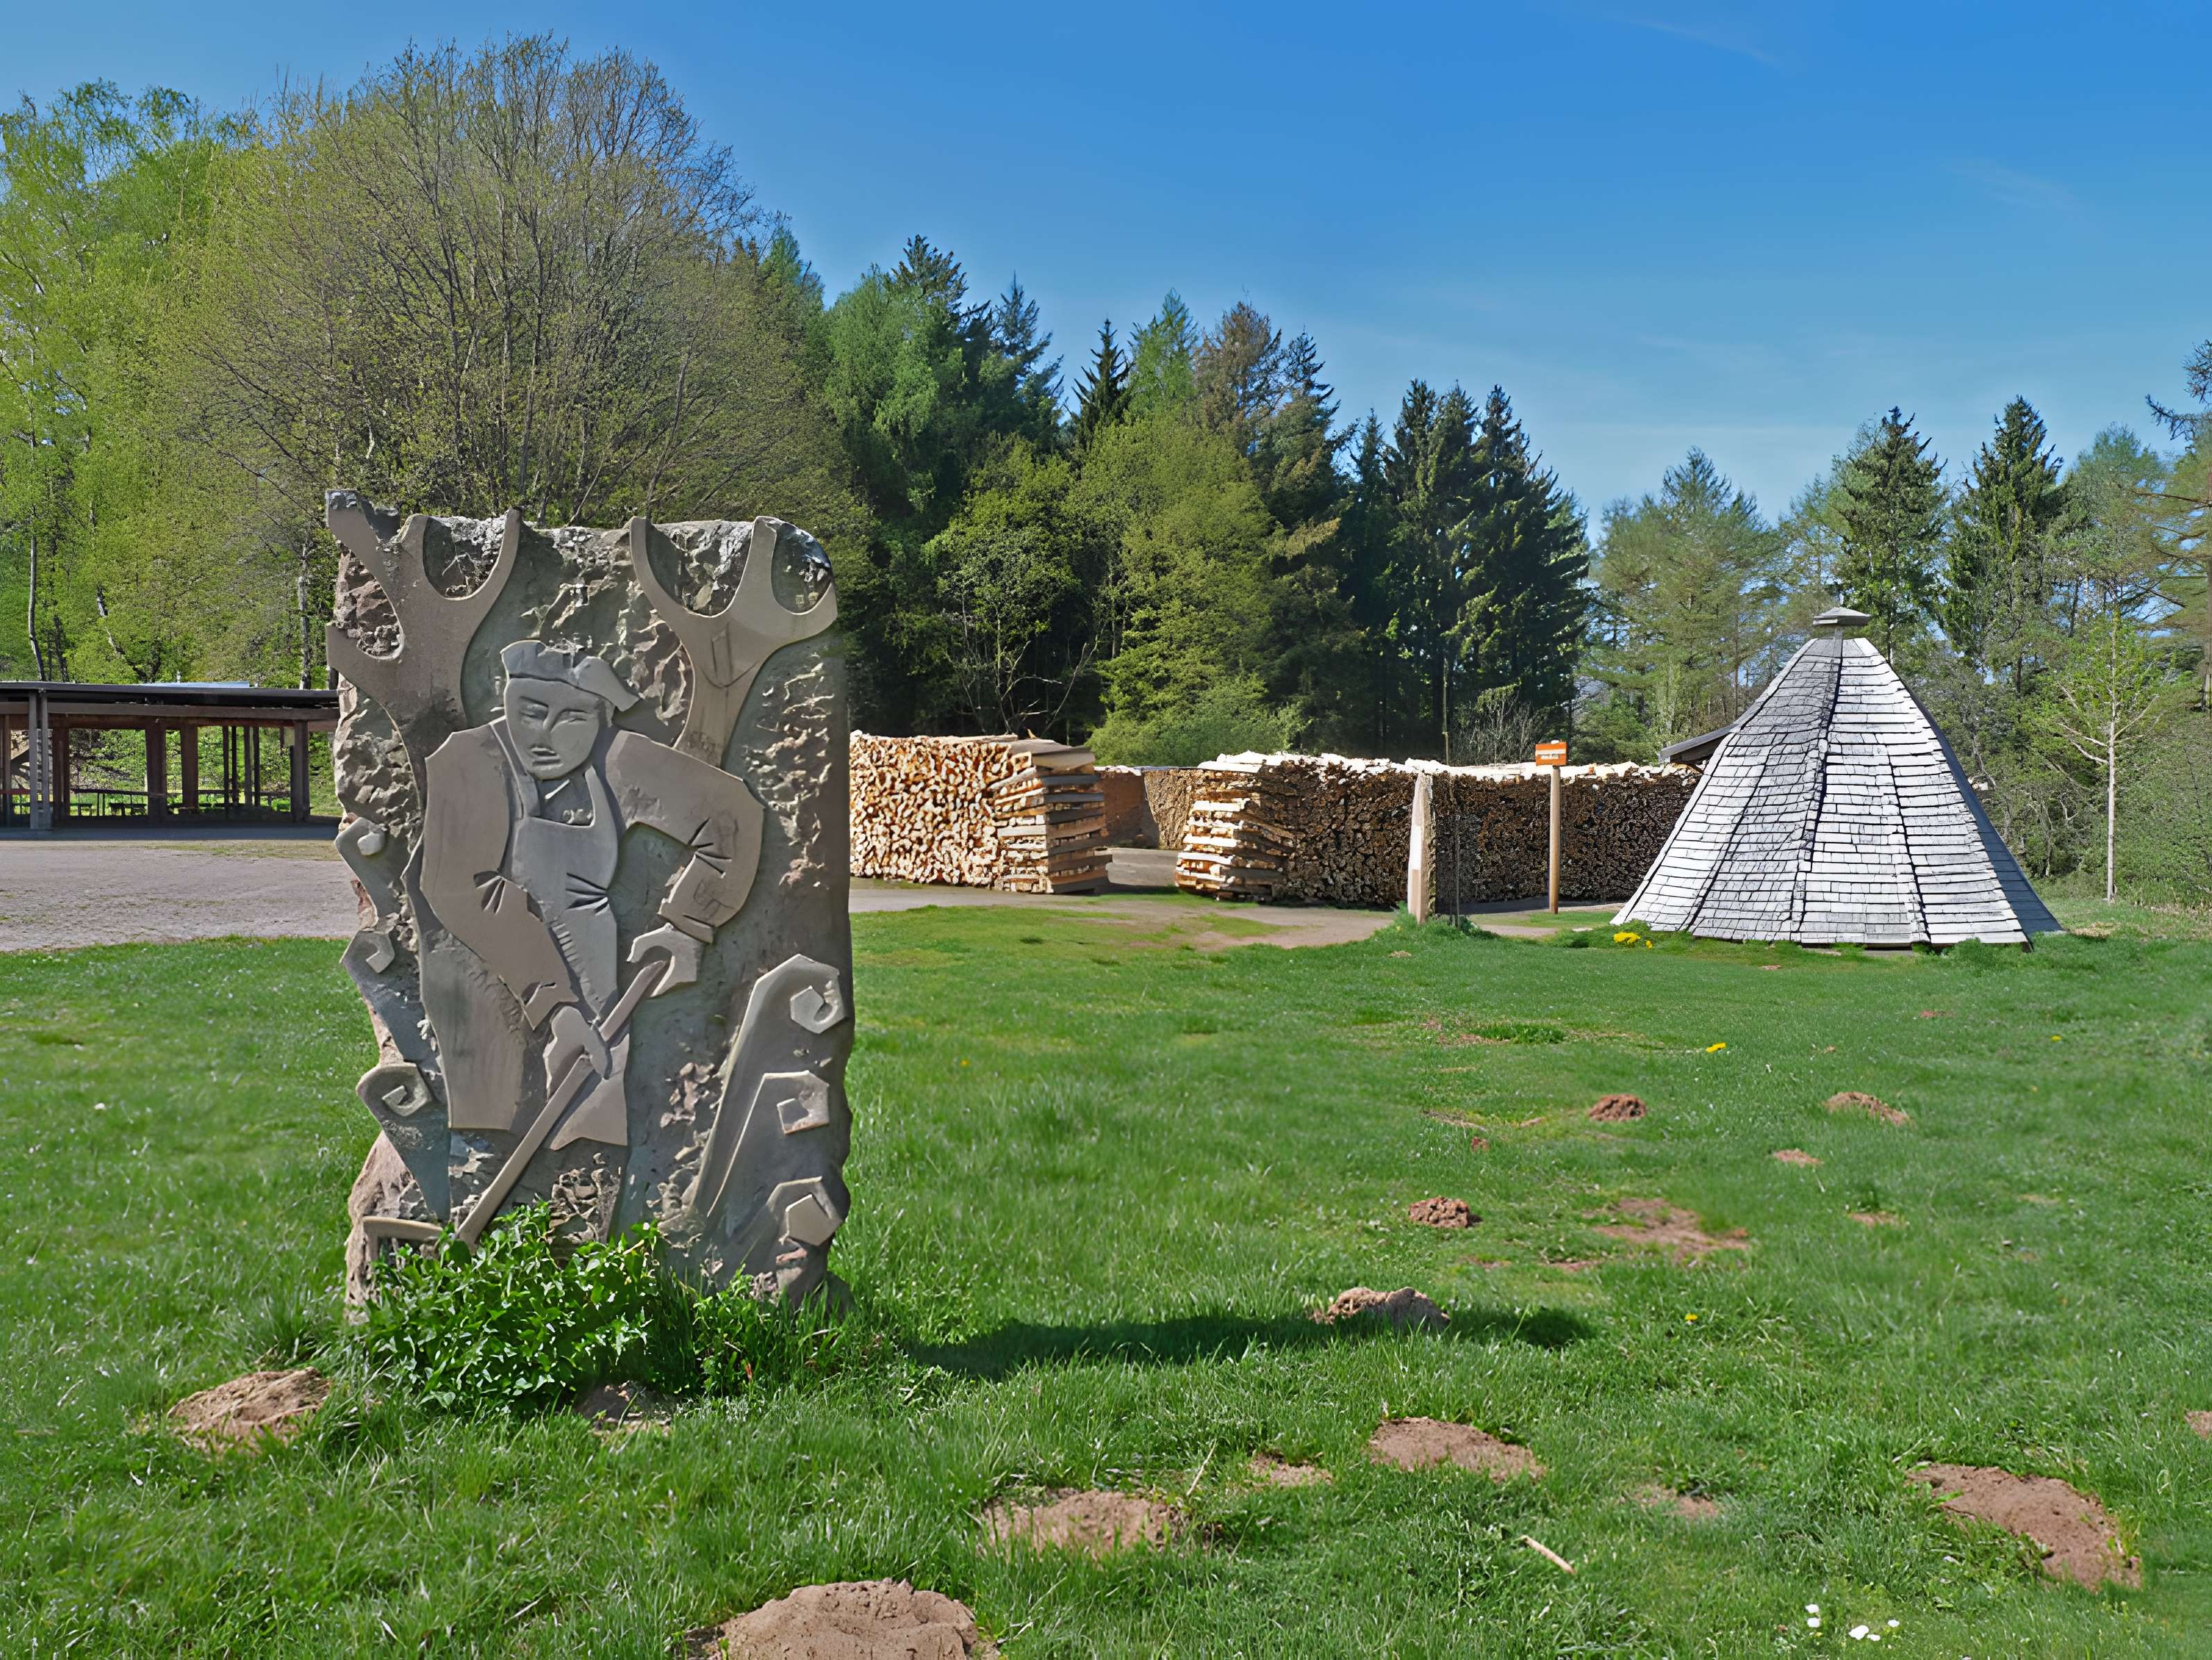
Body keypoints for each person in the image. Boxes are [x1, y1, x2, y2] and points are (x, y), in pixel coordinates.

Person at [418, 640, 762, 1150]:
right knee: (488, 1132)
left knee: (592, 1142)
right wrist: (556, 1005)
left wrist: (689, 925)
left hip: (595, 982)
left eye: (573, 719)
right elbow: (459, 888)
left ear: (600, 720)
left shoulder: (618, 760)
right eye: (531, 713)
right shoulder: (469, 761)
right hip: (483, 981)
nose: (546, 736)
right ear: (505, 699)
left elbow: (731, 814)